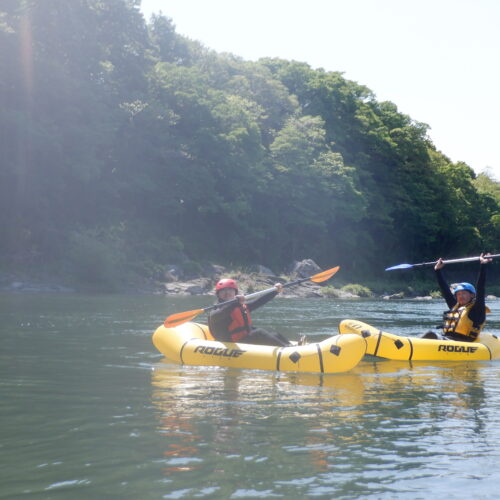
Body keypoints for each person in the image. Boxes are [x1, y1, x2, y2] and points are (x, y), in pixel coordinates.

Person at [208, 278, 300, 347]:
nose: (227, 293)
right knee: (259, 333)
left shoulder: (239, 306)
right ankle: (287, 351)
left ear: (235, 292)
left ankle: (292, 347)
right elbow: (216, 316)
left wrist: (275, 291)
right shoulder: (217, 309)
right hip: (229, 344)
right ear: (218, 294)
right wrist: (234, 303)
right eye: (223, 290)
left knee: (275, 335)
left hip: (242, 340)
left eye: (230, 290)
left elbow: (259, 301)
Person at [425, 253, 492, 342]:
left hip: (464, 342)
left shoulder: (477, 309)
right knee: (430, 335)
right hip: (448, 339)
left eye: (464, 293)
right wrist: (437, 270)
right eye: (458, 294)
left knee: (432, 336)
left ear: (472, 295)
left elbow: (480, 288)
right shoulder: (455, 306)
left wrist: (483, 265)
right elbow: (445, 290)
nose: (461, 296)